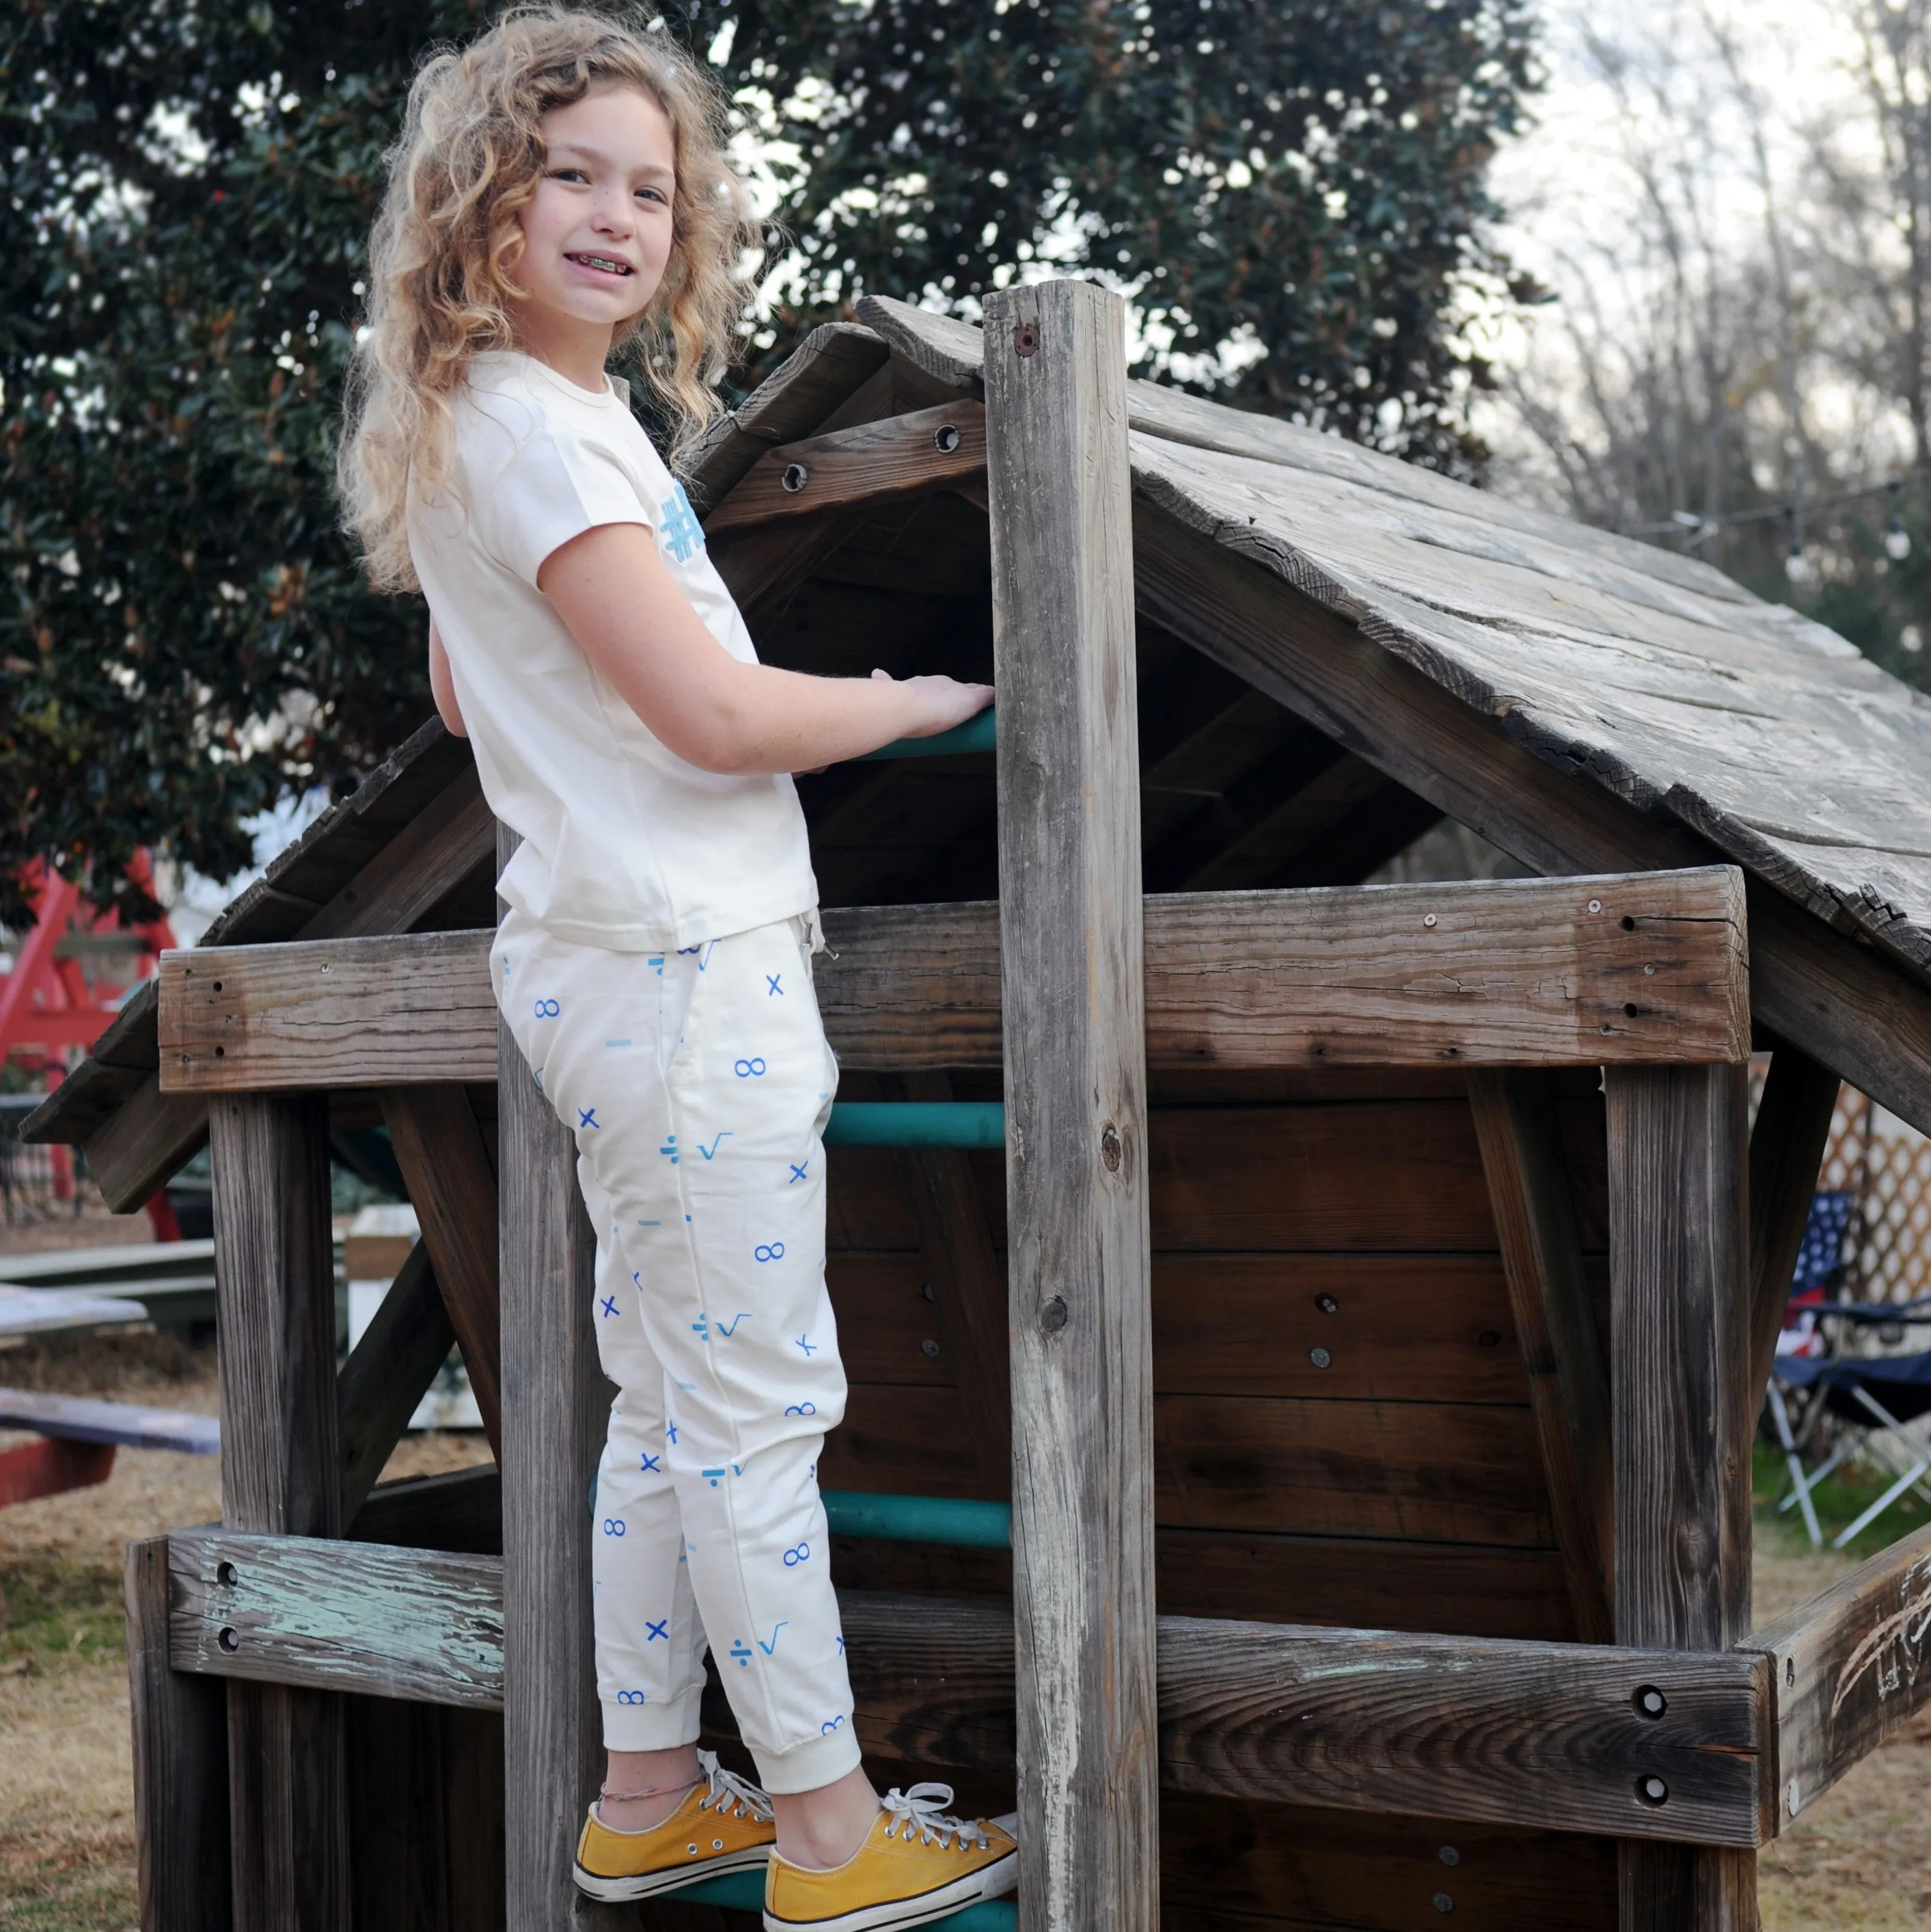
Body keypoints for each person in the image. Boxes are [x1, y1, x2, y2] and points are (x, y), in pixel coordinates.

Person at [336, 10, 1012, 1929]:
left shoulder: (501, 423)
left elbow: (480, 690)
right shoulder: (541, 432)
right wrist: (904, 701)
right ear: (481, 202)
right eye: (571, 175)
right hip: (683, 971)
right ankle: (827, 1830)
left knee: (665, 1401)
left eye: (653, 186)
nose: (620, 216)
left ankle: (649, 1792)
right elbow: (714, 714)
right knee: (757, 1416)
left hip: (598, 960)